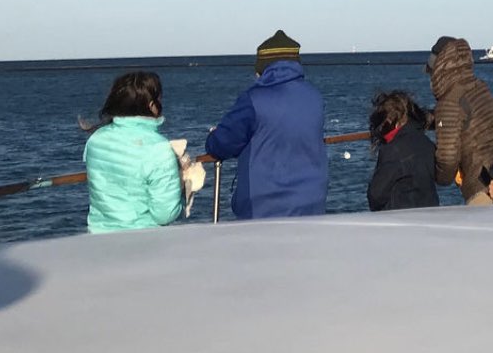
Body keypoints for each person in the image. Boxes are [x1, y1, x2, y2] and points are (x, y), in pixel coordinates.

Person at [205, 29, 328, 219]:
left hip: (264, 208)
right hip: (311, 203)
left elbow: (223, 144)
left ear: (263, 69)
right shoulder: (315, 97)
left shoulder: (254, 100)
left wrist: (213, 135)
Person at [81, 71, 185, 233]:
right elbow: (164, 214)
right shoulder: (158, 148)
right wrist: (182, 183)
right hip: (143, 240)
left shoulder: (96, 139)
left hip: (99, 237)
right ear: (151, 105)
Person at [426, 36, 493, 205]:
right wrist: (430, 119)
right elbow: (465, 117)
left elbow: (447, 159)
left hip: (483, 186)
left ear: (437, 68)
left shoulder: (449, 101)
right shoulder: (479, 86)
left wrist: (436, 176)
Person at [366, 90, 438, 211]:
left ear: (390, 121)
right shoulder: (427, 143)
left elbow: (375, 196)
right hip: (429, 214)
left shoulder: (393, 150)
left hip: (399, 218)